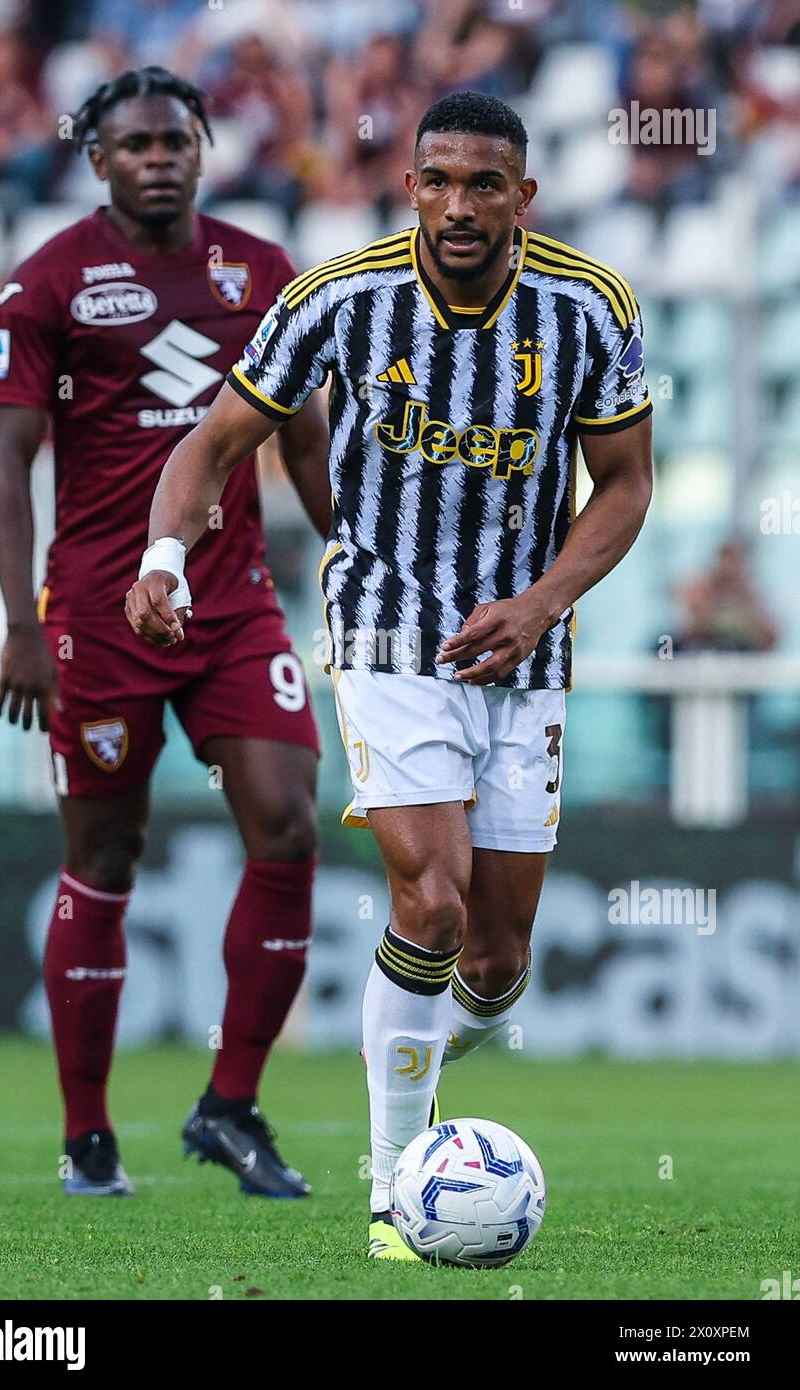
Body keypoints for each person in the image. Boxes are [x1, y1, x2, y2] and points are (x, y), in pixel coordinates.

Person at [126, 89, 653, 1258]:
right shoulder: (337, 296)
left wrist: (538, 603)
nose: (456, 205)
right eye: (436, 179)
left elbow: (621, 482)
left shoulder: (587, 304)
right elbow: (212, 442)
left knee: (496, 956)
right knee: (430, 901)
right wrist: (163, 555)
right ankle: (393, 1192)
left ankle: (399, 1046)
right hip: (383, 629)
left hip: (525, 645)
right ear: (406, 184)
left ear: (524, 196)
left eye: (483, 184)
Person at [0, 66, 331, 1201]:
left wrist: (353, 549)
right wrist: (20, 622)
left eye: (176, 139)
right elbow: (4, 463)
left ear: (202, 146)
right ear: (97, 158)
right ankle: (88, 1135)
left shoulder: (262, 270)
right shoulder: (48, 285)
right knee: (106, 857)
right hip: (95, 614)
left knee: (284, 825)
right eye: (134, 144)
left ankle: (230, 1106)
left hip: (230, 600)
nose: (159, 157)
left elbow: (308, 448)